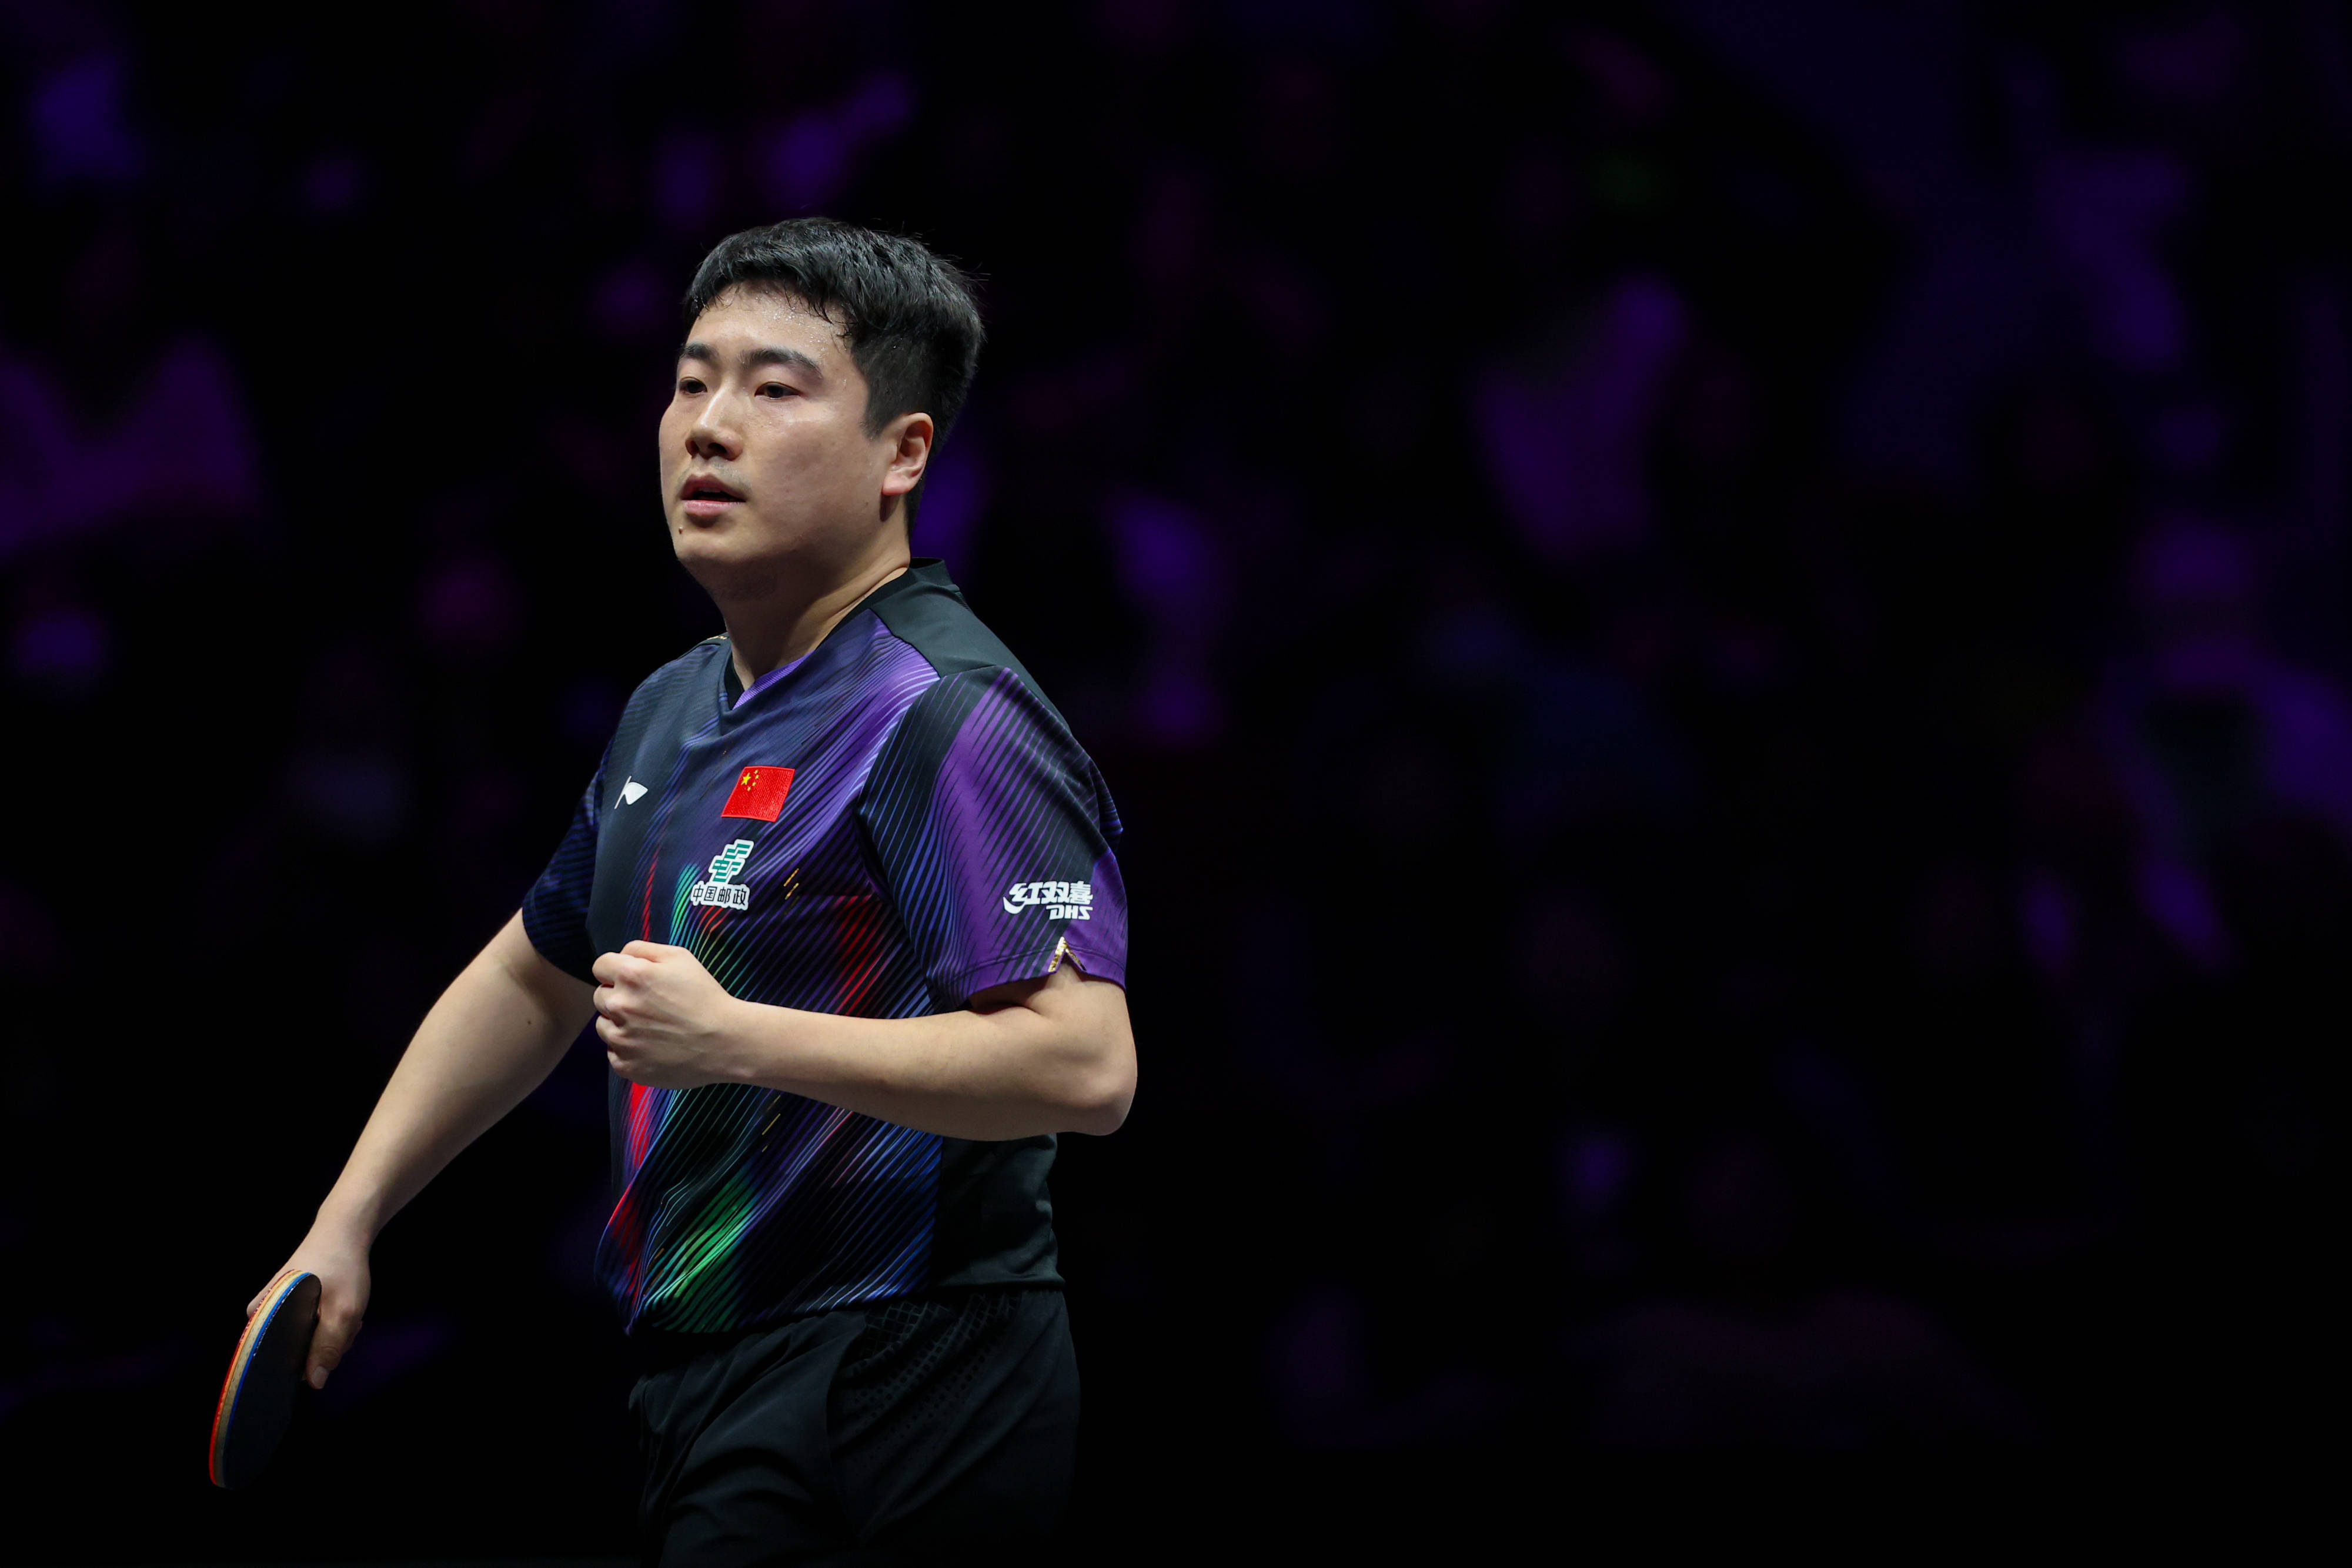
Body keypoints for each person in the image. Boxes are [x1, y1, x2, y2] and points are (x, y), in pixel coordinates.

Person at [253, 218, 1135, 1563]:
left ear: (902, 453)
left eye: (774, 389)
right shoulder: (671, 708)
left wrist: (732, 1038)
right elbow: (533, 971)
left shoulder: (945, 712)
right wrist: (347, 1217)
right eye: (690, 381)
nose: (709, 427)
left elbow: (1082, 1063)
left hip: (911, 1367)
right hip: (701, 1363)